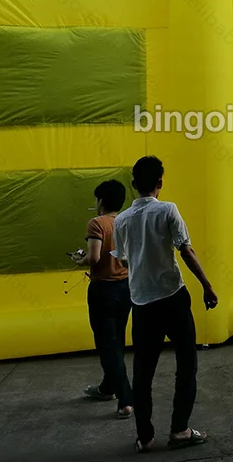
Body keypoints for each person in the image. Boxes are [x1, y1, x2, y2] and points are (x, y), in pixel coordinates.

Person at [112, 156, 218, 453]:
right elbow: (186, 251)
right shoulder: (168, 210)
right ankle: (180, 430)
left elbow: (123, 260)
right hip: (173, 298)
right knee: (186, 365)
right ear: (160, 182)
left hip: (142, 303)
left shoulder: (121, 220)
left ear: (133, 184)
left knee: (143, 372)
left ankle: (145, 437)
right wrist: (207, 285)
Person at [73, 179, 133, 419]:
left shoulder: (96, 223)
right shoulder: (126, 221)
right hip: (126, 287)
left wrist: (80, 260)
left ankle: (125, 400)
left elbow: (94, 258)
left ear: (101, 201)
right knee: (117, 340)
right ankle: (108, 387)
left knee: (107, 345)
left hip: (103, 291)